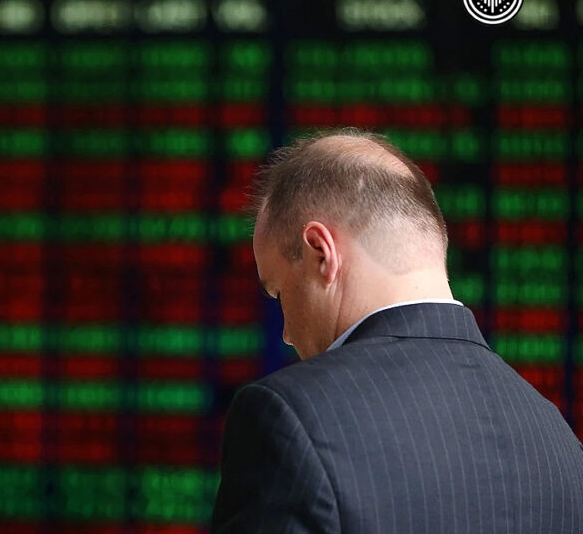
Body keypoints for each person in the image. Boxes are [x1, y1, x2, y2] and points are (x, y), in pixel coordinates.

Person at [210, 127, 583, 533]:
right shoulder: (562, 444)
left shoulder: (290, 417)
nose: (285, 333)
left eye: (279, 292)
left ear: (321, 253)